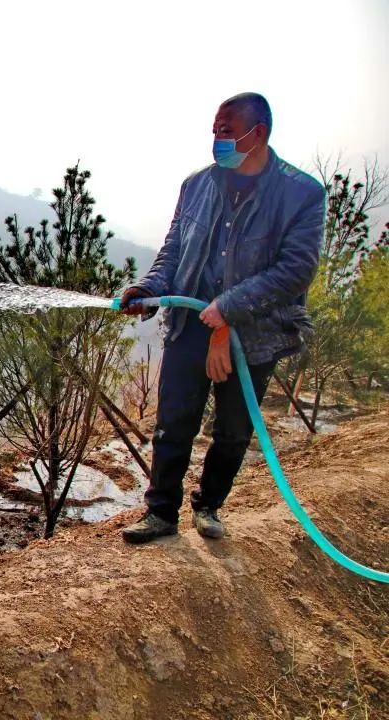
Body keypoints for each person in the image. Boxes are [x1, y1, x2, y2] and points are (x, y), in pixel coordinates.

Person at [118, 92, 326, 543]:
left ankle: (209, 505)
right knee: (173, 422)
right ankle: (160, 514)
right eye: (214, 131)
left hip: (255, 332)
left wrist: (229, 308)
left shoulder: (301, 194)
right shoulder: (197, 185)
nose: (217, 140)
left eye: (227, 132)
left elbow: (296, 269)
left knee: (232, 430)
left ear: (260, 133)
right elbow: (174, 249)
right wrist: (149, 289)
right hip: (192, 322)